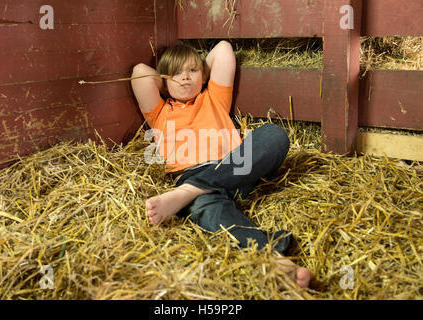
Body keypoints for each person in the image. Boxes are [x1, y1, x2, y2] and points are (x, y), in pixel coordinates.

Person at [131, 41, 311, 288]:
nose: (185, 78)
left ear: (203, 74)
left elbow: (224, 49)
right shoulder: (160, 113)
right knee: (211, 211)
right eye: (175, 74)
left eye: (192, 71)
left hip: (235, 167)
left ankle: (188, 192)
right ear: (163, 82)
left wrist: (200, 74)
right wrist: (167, 82)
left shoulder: (213, 98)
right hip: (191, 172)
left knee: (274, 135)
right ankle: (272, 257)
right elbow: (140, 73)